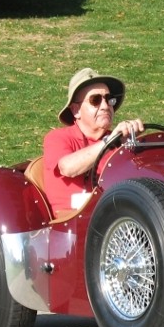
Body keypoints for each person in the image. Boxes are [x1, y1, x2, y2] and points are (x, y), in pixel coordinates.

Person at [43, 68, 144, 217]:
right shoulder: (57, 137)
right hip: (74, 226)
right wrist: (110, 141)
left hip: (116, 221)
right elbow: (67, 168)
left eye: (109, 99)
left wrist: (135, 146)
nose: (105, 106)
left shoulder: (121, 141)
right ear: (76, 110)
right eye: (95, 100)